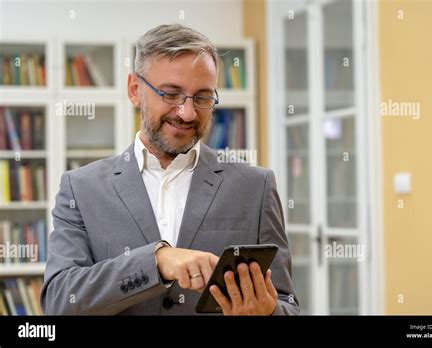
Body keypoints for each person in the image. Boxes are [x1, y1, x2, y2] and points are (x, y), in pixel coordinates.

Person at [41, 24, 299, 315]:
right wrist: (157, 261)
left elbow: (286, 305)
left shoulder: (256, 186)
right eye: (171, 94)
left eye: (202, 97)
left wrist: (268, 312)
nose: (187, 113)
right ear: (135, 90)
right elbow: (60, 301)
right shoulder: (80, 188)